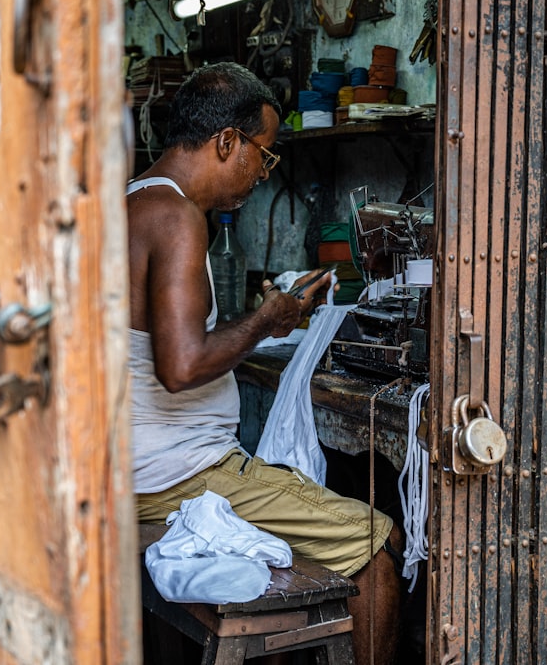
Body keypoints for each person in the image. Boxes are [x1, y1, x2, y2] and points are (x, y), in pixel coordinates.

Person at [126, 62, 402, 664]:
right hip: (175, 475)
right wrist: (269, 323)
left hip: (138, 467)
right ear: (227, 141)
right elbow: (180, 365)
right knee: (377, 542)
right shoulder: (176, 218)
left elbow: (161, 341)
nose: (260, 172)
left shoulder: (132, 202)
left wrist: (251, 322)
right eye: (263, 154)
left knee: (307, 497)